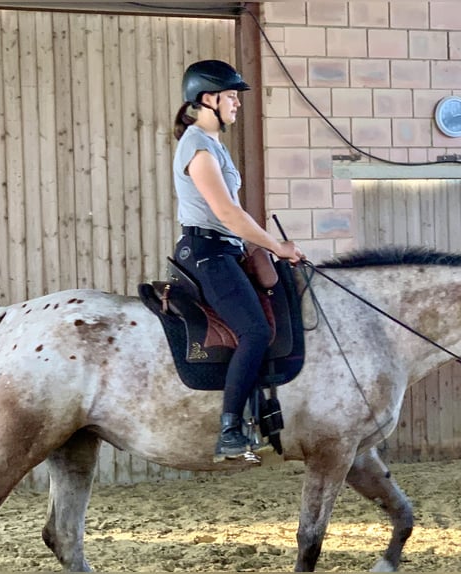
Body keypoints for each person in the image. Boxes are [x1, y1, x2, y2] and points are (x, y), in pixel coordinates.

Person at [172, 59, 304, 462]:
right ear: (208, 99)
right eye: (231, 97)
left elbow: (235, 217)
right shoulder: (197, 147)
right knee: (254, 331)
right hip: (208, 253)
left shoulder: (214, 146)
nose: (237, 104)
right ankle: (230, 428)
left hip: (227, 249)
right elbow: (227, 213)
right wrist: (276, 246)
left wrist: (261, 246)